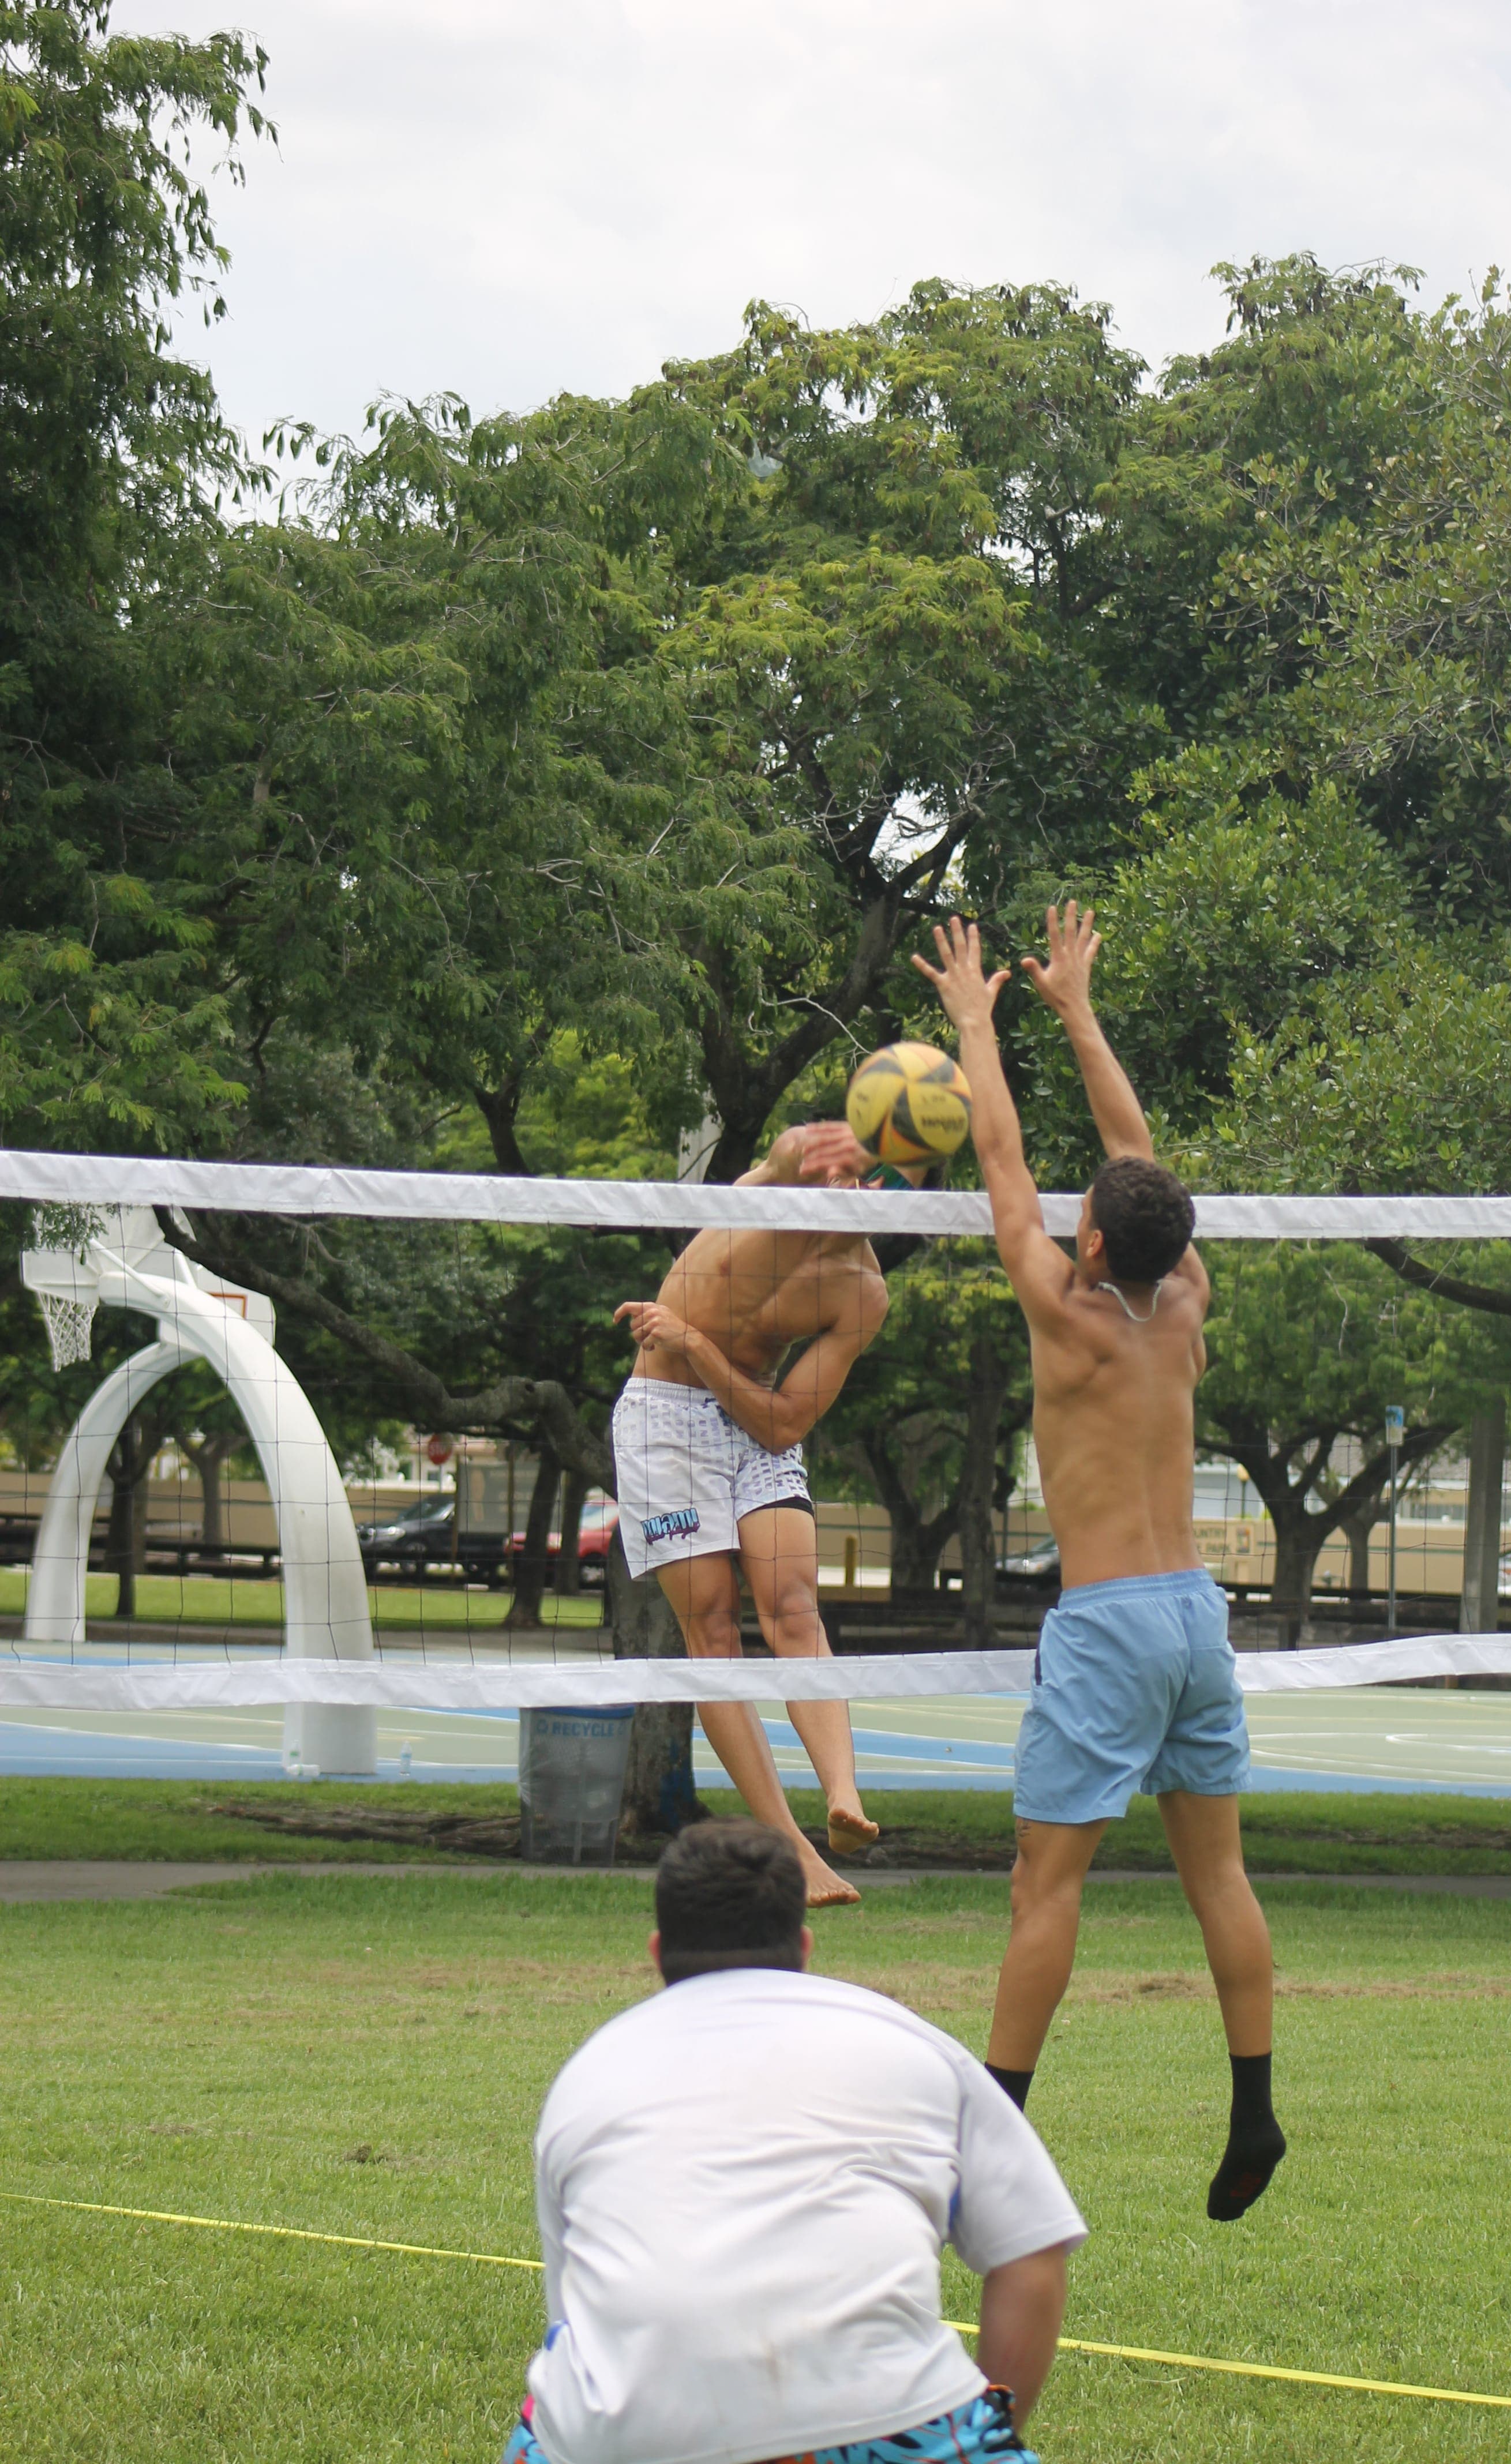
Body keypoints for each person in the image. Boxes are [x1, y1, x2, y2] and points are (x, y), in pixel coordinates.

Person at [913, 903, 1285, 2223]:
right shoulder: (1179, 1290)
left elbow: (1002, 1154)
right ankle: (1251, 2107)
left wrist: (974, 1020)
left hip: (1111, 1620)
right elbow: (1133, 1159)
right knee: (1216, 1876)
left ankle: (992, 2135)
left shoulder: (1059, 1305)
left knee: (1043, 1884)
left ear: (1085, 1246)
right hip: (1193, 1614)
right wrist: (1075, 1010)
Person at [503, 1821, 1086, 2464]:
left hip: (616, 2439)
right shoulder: (912, 2044)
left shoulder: (589, 2074)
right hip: (893, 2417)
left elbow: (572, 2319)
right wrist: (992, 2429)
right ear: (804, 1947)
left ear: (657, 1951)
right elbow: (1032, 2253)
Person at [613, 1121, 924, 1907]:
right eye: (859, 1176)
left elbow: (785, 1423)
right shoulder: (780, 1189)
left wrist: (694, 1342)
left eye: (886, 1191)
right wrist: (804, 1152)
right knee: (712, 1634)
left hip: (753, 1417)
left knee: (792, 1603)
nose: (863, 1193)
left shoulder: (862, 1291)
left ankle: (844, 1797)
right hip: (664, 1419)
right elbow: (786, 1156)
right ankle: (793, 1849)